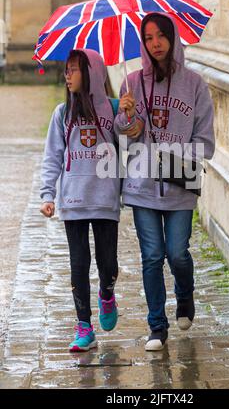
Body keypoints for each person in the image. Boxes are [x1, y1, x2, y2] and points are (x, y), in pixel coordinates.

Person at [115, 13, 215, 351]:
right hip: (141, 186)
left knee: (177, 254)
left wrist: (173, 155)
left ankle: (185, 296)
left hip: (179, 184)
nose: (155, 43)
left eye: (161, 36)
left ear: (172, 38)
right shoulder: (131, 82)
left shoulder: (195, 84)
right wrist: (127, 116)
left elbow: (207, 143)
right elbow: (125, 138)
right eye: (148, 38)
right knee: (152, 256)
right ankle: (156, 327)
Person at [40, 49, 128, 352]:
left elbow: (132, 140)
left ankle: (107, 294)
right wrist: (47, 194)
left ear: (91, 74)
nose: (68, 75)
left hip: (104, 200)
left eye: (74, 70)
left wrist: (128, 115)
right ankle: (84, 327)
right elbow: (52, 156)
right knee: (78, 265)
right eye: (66, 70)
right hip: (73, 200)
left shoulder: (113, 109)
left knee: (108, 264)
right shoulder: (61, 113)